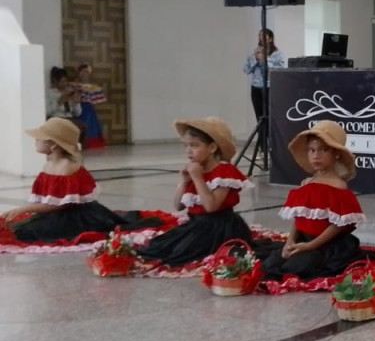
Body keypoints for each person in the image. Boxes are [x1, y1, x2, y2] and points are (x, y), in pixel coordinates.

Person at [258, 121, 375, 288]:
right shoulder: (306, 184)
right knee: (275, 260)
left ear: (336, 154)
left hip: (327, 245)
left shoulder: (337, 186)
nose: (316, 155)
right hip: (304, 240)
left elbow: (337, 225)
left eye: (323, 150)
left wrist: (310, 245)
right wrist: (291, 240)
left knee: (300, 266)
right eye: (312, 150)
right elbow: (300, 218)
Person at [0, 118, 171, 246]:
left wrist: (25, 208)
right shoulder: (48, 164)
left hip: (74, 215)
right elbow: (49, 199)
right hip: (57, 213)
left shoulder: (66, 167)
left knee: (28, 232)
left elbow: (61, 206)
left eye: (40, 138)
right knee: (21, 227)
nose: (35, 141)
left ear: (54, 145)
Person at [136, 117, 254, 268]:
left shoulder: (224, 171)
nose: (188, 151)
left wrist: (198, 178)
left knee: (182, 254)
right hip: (197, 224)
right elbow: (178, 206)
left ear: (212, 148)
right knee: (160, 247)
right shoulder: (195, 169)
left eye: (194, 145)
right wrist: (184, 181)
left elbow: (211, 206)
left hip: (219, 227)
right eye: (186, 146)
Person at [242, 29, 286, 155]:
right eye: (259, 36)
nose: (261, 38)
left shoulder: (277, 54)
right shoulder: (255, 53)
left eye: (264, 36)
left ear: (271, 38)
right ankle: (262, 148)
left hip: (270, 88)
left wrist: (265, 60)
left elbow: (280, 69)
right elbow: (246, 70)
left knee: (270, 118)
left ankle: (273, 146)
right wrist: (256, 59)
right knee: (260, 118)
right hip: (256, 88)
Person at [73, 64, 107, 149]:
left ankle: (90, 144)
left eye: (86, 72)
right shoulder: (74, 86)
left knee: (90, 126)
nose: (84, 74)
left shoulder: (93, 87)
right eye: (82, 72)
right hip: (77, 108)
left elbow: (98, 101)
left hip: (89, 110)